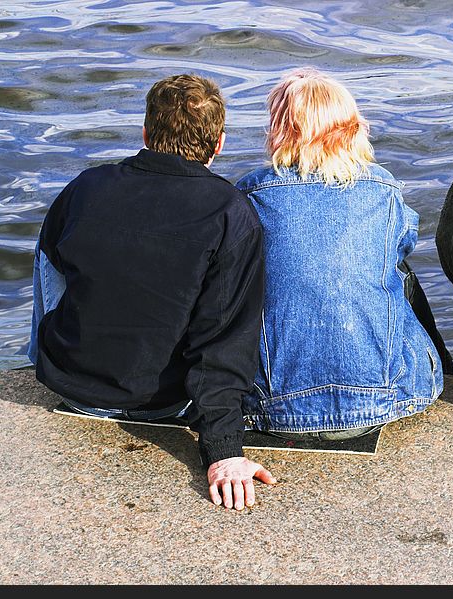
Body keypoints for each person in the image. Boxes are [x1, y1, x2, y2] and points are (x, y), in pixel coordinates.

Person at [29, 74, 274, 511]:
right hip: (166, 403)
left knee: (56, 244)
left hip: (74, 390)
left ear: (145, 134)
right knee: (226, 302)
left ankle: (56, 354)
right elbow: (224, 337)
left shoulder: (87, 185)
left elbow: (59, 266)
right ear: (218, 144)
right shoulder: (230, 212)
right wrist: (223, 450)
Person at [236, 68, 450, 442]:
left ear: (281, 129)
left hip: (276, 406)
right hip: (386, 397)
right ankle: (434, 365)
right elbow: (404, 244)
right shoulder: (383, 189)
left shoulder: (252, 195)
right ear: (352, 127)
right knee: (397, 269)